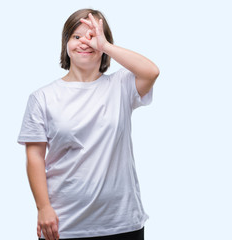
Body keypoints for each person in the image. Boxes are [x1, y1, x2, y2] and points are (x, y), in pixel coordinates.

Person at [17, 8, 160, 240]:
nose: (85, 41)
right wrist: (43, 208)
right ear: (66, 44)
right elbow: (34, 157)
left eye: (92, 35)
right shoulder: (42, 97)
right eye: (76, 36)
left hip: (122, 223)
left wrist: (105, 46)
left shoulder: (121, 85)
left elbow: (152, 71)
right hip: (64, 223)